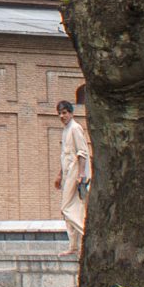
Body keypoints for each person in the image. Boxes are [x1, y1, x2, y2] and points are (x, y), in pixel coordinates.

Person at [53, 100, 92, 258]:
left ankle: (87, 235)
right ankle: (74, 246)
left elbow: (82, 152)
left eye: (65, 112)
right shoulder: (66, 130)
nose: (62, 116)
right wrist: (60, 175)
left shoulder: (75, 128)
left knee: (67, 208)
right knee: (71, 208)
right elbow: (66, 155)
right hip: (69, 172)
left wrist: (81, 174)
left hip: (76, 172)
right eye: (60, 113)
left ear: (71, 113)